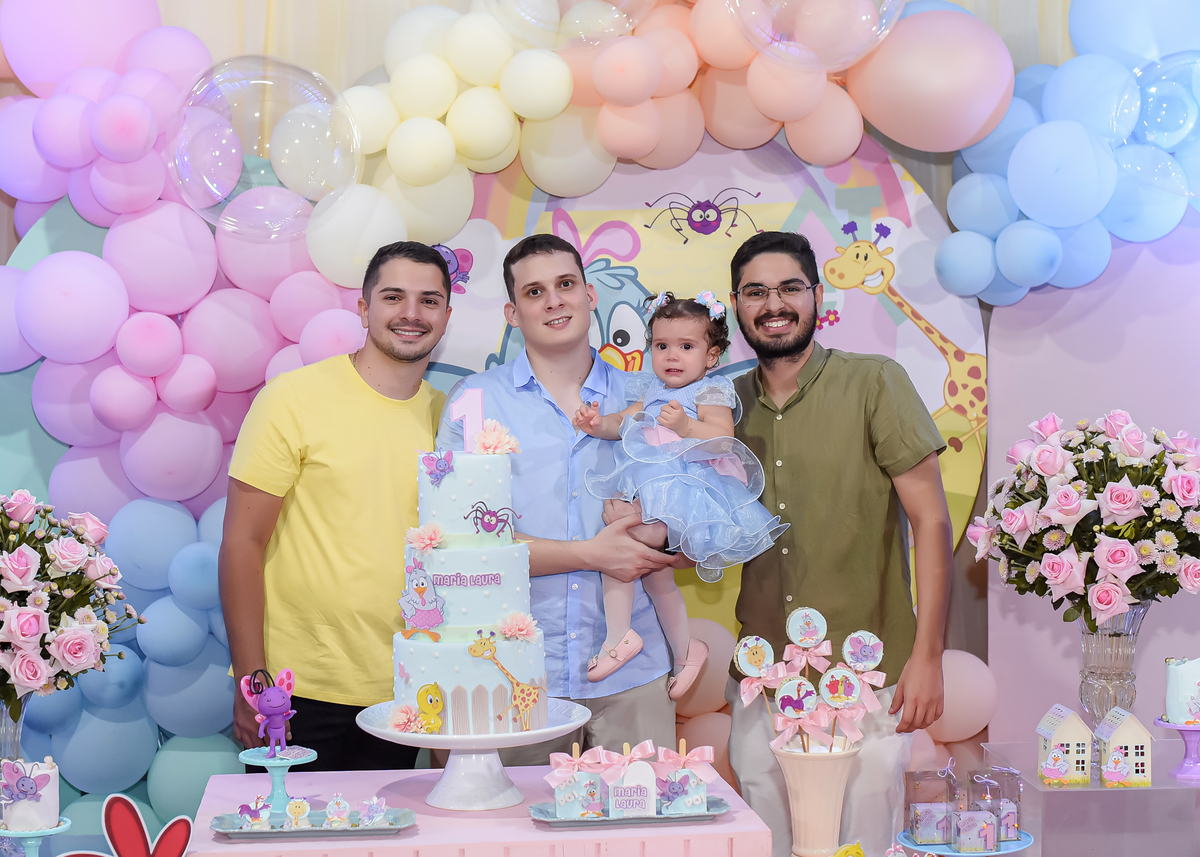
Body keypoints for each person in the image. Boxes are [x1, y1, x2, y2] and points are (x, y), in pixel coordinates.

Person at [723, 231, 953, 856]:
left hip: (869, 670)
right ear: (736, 304)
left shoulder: (875, 382)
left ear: (818, 297)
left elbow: (932, 523)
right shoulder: (722, 407)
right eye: (755, 291)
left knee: (864, 841)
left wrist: (928, 656)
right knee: (766, 841)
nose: (774, 304)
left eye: (789, 288)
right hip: (764, 673)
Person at [436, 233, 683, 762]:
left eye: (566, 284)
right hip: (512, 671)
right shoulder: (474, 401)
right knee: (517, 818)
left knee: (647, 813)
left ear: (590, 296)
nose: (554, 301)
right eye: (534, 292)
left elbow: (694, 514)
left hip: (634, 671)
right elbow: (457, 541)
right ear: (512, 313)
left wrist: (664, 540)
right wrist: (591, 555)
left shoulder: (650, 397)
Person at [219, 241, 453, 772]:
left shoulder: (451, 420)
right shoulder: (293, 399)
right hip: (295, 691)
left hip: (404, 689)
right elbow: (242, 543)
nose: (412, 313)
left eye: (429, 300)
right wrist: (253, 681)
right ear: (364, 309)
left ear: (446, 316)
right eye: (393, 297)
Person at [574, 291, 785, 696]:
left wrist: (686, 427)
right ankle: (687, 650)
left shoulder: (708, 391)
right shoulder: (651, 387)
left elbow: (722, 438)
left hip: (685, 491)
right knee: (655, 576)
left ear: (711, 356)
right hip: (649, 486)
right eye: (662, 346)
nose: (672, 355)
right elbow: (624, 422)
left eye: (686, 347)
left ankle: (618, 636)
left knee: (620, 546)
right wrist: (597, 424)